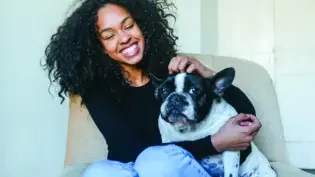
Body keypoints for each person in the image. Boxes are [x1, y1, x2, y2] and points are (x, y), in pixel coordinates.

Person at [42, 0, 262, 176]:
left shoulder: (173, 71)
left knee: (157, 163)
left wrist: (206, 74)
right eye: (109, 36)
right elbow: (128, 150)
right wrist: (215, 143)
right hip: (134, 165)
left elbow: (247, 113)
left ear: (142, 25)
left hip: (178, 167)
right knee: (99, 172)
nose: (125, 38)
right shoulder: (96, 89)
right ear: (98, 47)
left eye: (128, 26)